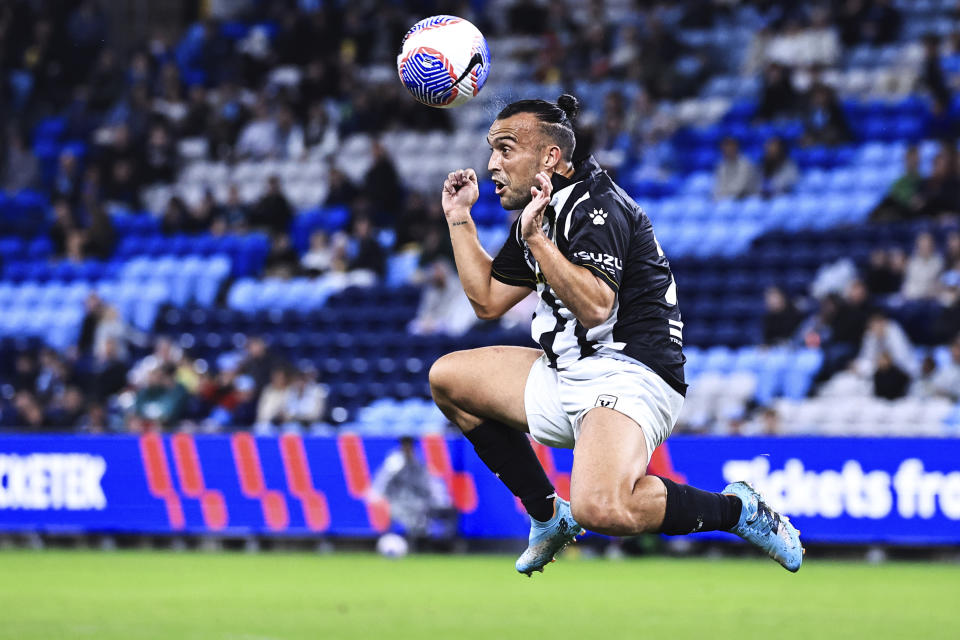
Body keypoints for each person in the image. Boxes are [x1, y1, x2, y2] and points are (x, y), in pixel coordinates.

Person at [429, 95, 802, 576]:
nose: (491, 164)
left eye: (505, 149)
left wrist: (538, 241)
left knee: (603, 510)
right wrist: (459, 217)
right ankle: (547, 516)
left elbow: (597, 306)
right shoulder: (544, 209)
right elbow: (486, 300)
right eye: (492, 150)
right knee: (449, 379)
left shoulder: (596, 206)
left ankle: (738, 510)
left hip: (631, 374)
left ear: (550, 157)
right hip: (566, 371)